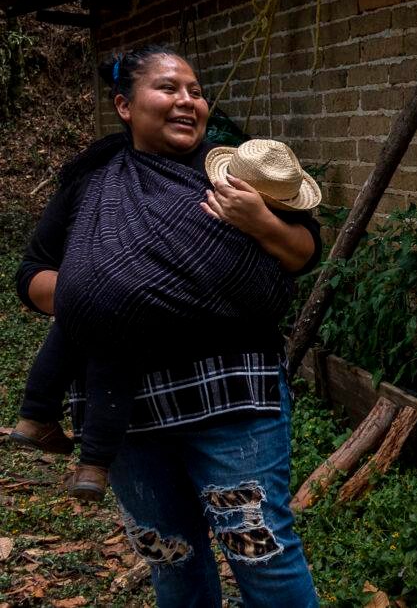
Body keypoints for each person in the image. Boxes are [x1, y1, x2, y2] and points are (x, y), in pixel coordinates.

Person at [13, 45, 321, 606]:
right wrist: (111, 291)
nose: (188, 101)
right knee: (170, 557)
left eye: (197, 92)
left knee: (263, 554)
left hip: (231, 394)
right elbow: (32, 276)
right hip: (124, 408)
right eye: (169, 88)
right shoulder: (92, 182)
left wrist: (258, 221)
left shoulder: (237, 174)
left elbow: (302, 254)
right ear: (124, 105)